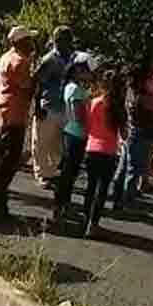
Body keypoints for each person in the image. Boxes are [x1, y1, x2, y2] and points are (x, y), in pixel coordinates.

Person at [0, 26, 36, 221]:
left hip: (3, 114)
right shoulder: (20, 62)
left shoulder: (5, 57)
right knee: (7, 165)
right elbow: (27, 87)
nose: (33, 44)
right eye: (30, 40)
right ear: (21, 42)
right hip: (14, 116)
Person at [114, 57, 153, 210]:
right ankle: (127, 200)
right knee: (134, 168)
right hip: (141, 131)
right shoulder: (141, 96)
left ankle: (118, 196)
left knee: (125, 166)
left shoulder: (131, 90)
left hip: (133, 130)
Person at [83, 70, 126, 238]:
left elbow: (88, 125)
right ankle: (94, 224)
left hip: (91, 148)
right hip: (108, 151)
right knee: (102, 190)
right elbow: (124, 134)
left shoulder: (94, 103)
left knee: (90, 186)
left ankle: (85, 220)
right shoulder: (118, 108)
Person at [32, 26, 75, 189]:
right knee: (42, 143)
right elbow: (36, 82)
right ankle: (42, 174)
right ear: (58, 41)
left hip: (64, 108)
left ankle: (53, 173)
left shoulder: (71, 59)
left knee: (58, 145)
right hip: (48, 106)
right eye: (65, 40)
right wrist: (37, 107)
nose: (69, 44)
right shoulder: (49, 59)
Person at [53, 55, 94, 224]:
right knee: (68, 173)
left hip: (73, 133)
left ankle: (63, 204)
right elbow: (79, 115)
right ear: (78, 70)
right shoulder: (76, 90)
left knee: (70, 173)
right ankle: (61, 205)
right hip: (76, 134)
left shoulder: (73, 87)